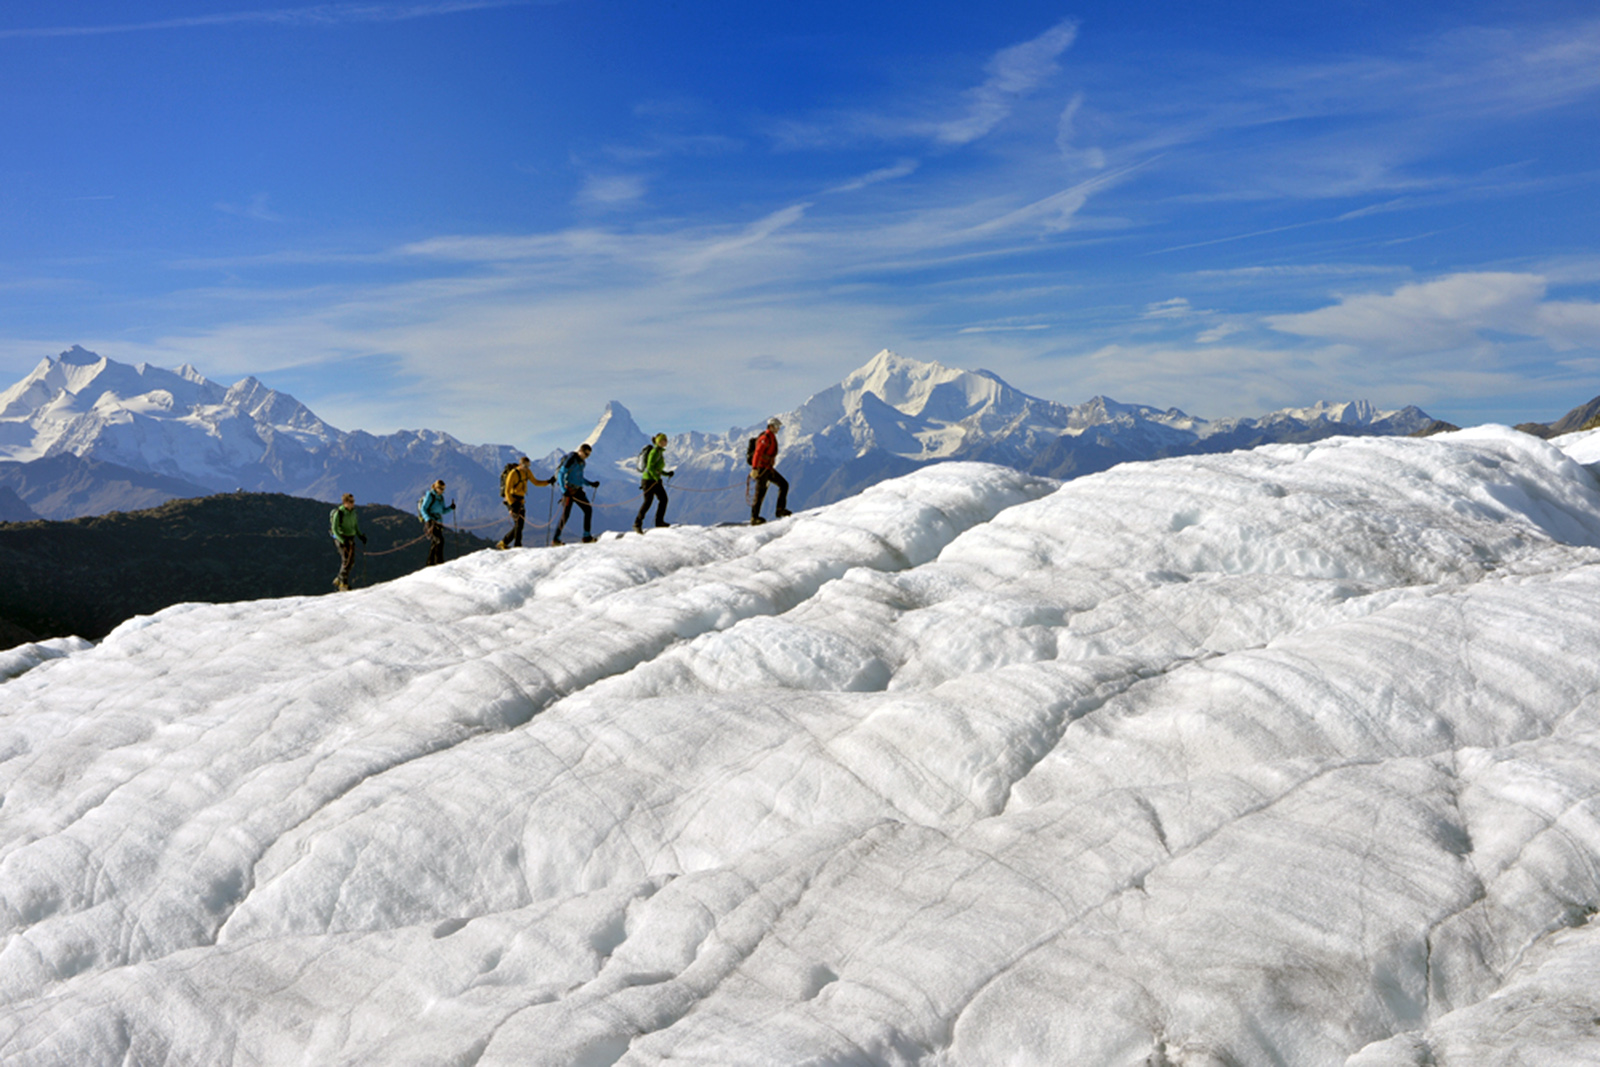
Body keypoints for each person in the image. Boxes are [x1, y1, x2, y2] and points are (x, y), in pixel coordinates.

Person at [497, 456, 551, 550]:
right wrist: (512, 505)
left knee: (520, 525)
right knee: (518, 523)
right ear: (520, 464)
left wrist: (548, 482)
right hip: (512, 500)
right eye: (525, 466)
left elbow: (536, 482)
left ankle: (504, 542)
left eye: (528, 466)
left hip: (520, 500)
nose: (527, 468)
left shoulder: (527, 472)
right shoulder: (513, 473)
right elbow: (507, 490)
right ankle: (517, 545)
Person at [553, 443, 599, 545]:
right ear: (581, 451)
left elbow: (580, 478)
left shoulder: (582, 463)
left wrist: (591, 484)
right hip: (569, 491)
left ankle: (586, 536)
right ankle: (556, 539)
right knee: (565, 515)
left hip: (577, 491)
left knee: (588, 510)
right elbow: (561, 473)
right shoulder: (571, 460)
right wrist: (563, 491)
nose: (587, 457)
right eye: (586, 454)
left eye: (588, 455)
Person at [749, 417, 791, 526]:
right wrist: (754, 468)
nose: (778, 429)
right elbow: (757, 453)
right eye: (777, 426)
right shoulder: (765, 438)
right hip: (762, 469)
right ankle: (754, 518)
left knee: (783, 485)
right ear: (771, 426)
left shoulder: (771, 437)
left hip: (767, 469)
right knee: (760, 493)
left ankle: (780, 509)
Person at [633, 433, 675, 534]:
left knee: (662, 499)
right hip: (649, 481)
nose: (666, 441)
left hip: (653, 480)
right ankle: (637, 523)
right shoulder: (654, 452)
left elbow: (657, 468)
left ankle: (659, 522)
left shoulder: (659, 452)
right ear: (659, 441)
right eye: (664, 439)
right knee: (649, 502)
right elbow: (650, 467)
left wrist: (666, 473)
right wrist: (657, 478)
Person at [329, 493, 366, 591]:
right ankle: (343, 584)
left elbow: (355, 526)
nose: (353, 503)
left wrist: (360, 536)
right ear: (345, 502)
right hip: (341, 538)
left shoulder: (353, 512)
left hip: (350, 538)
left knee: (351, 561)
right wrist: (342, 540)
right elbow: (334, 529)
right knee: (346, 560)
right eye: (351, 501)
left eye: (353, 501)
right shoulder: (339, 513)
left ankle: (339, 579)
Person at [418, 479, 456, 566]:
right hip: (431, 522)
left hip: (438, 522)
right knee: (439, 540)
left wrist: (450, 508)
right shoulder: (430, 496)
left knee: (435, 542)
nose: (442, 491)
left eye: (443, 489)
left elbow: (442, 511)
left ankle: (430, 563)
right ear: (435, 487)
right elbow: (423, 509)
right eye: (440, 489)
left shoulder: (441, 498)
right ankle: (439, 562)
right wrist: (428, 519)